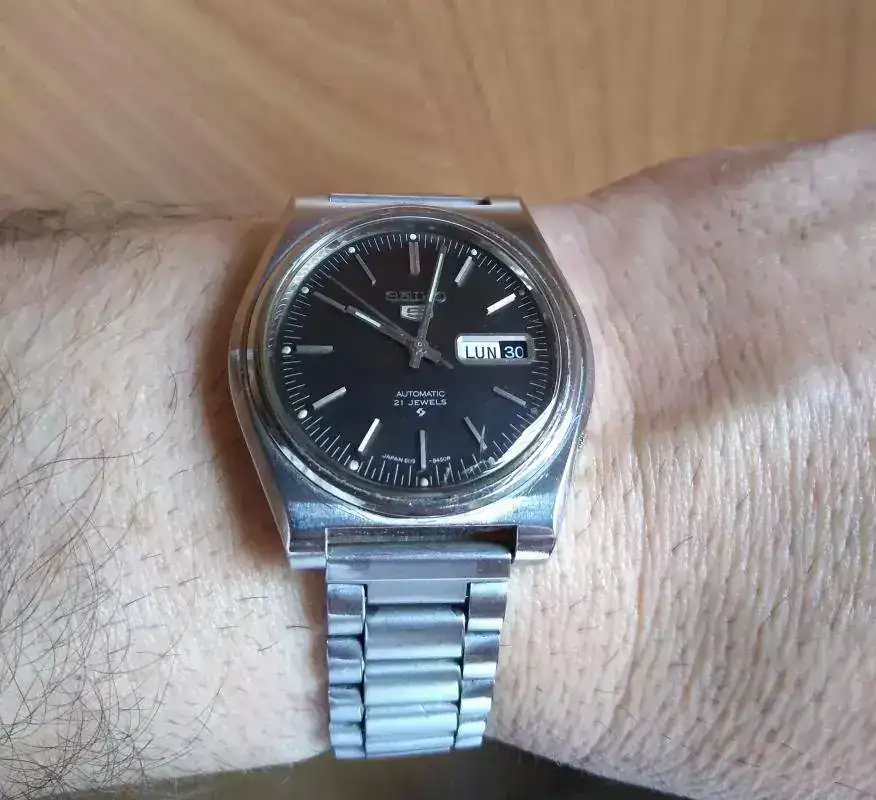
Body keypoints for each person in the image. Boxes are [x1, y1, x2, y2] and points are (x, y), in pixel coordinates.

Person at [1, 134, 873, 800]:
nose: (420, 355)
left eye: (424, 345)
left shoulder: (538, 366)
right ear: (245, 368)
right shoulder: (272, 359)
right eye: (410, 344)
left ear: (567, 362)